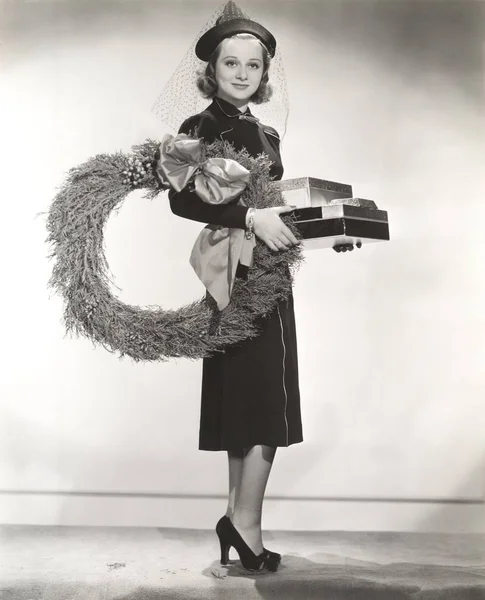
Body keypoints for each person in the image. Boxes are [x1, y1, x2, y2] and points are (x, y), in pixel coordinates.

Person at [166, 5, 303, 573]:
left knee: (258, 395)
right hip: (233, 275)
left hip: (270, 271)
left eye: (253, 64)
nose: (243, 73)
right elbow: (181, 198)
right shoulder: (201, 128)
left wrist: (318, 231)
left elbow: (272, 205)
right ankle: (245, 524)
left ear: (264, 73)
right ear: (212, 69)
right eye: (232, 63)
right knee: (259, 398)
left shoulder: (266, 132)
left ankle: (236, 518)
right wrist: (250, 220)